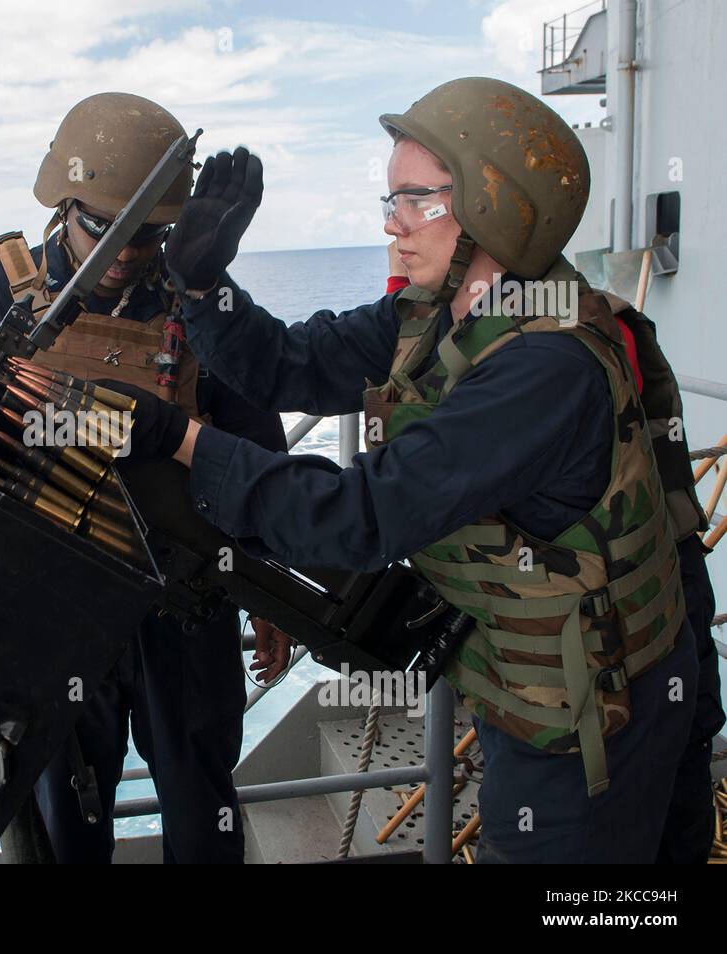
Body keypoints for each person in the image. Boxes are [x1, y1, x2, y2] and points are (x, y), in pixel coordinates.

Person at [102, 77, 706, 863]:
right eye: (391, 200)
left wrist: (177, 439)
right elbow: (287, 363)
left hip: (597, 711)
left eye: (416, 200)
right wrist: (204, 285)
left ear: (496, 205)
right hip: (531, 680)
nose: (391, 225)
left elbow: (357, 517)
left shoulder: (545, 368)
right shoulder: (437, 315)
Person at [0, 92, 290, 863]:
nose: (128, 254)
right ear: (65, 204)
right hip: (52, 603)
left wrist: (271, 593)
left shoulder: (206, 306)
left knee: (202, 808)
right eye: (105, 232)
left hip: (184, 599)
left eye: (150, 237)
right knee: (67, 820)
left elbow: (258, 456)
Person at [386, 243, 725, 863]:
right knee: (673, 793)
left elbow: (430, 467)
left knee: (650, 802)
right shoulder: (594, 319)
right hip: (657, 604)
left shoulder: (546, 350)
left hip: (625, 618)